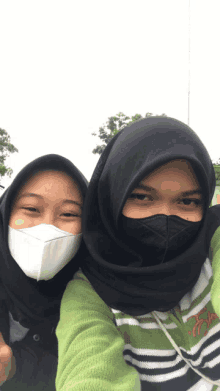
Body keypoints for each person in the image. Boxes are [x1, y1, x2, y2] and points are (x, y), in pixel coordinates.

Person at [56, 116, 220, 391]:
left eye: (187, 201)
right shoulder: (90, 293)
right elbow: (89, 373)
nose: (166, 215)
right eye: (142, 197)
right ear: (111, 198)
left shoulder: (214, 238)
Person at [0, 154, 88, 390]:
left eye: (68, 214)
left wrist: (15, 366)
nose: (47, 226)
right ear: (7, 213)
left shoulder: (94, 297)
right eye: (31, 209)